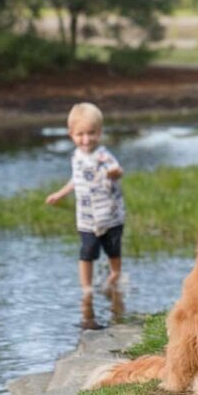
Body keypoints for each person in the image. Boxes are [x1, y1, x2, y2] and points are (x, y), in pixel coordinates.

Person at [45, 102, 126, 294]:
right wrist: (60, 193)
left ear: (100, 132)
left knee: (113, 250)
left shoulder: (103, 156)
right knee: (87, 252)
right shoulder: (76, 156)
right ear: (71, 134)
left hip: (110, 215)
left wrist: (114, 173)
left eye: (91, 133)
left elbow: (117, 170)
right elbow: (76, 179)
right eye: (80, 134)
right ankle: (86, 289)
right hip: (87, 218)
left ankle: (114, 277)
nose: (86, 139)